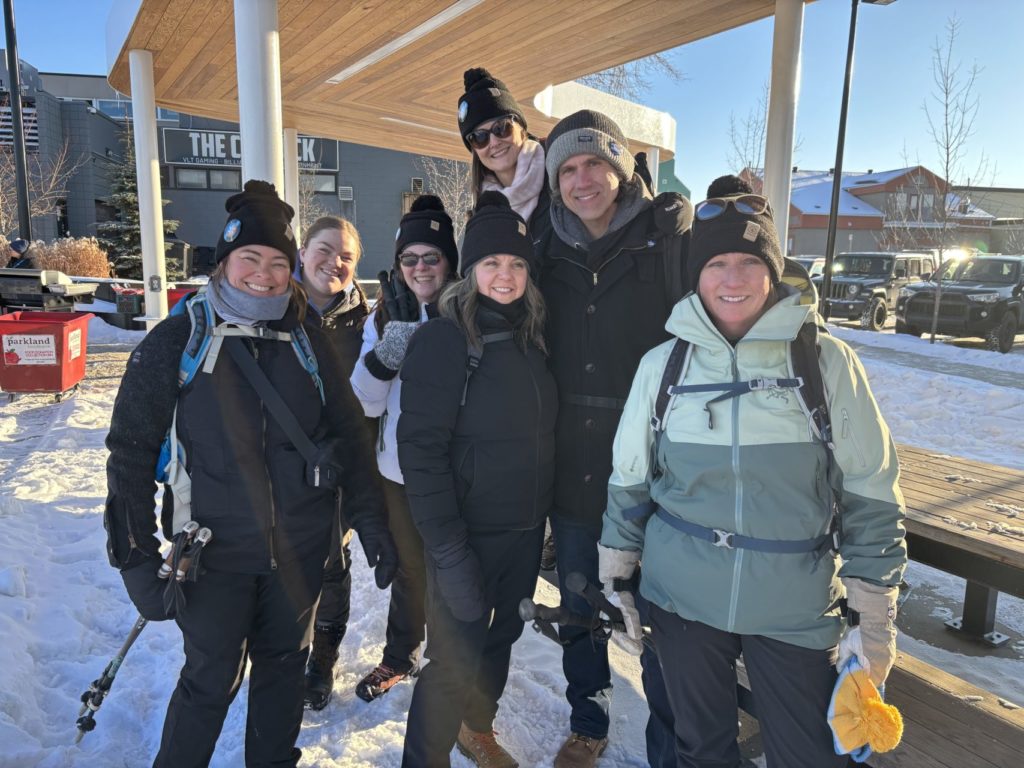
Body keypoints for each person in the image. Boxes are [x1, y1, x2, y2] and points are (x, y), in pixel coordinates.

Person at [600, 175, 908, 768]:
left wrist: (872, 611)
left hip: (794, 608)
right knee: (700, 751)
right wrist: (617, 580)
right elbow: (629, 481)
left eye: (749, 262)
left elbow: (871, 491)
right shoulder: (663, 366)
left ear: (773, 270)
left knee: (811, 756)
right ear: (696, 276)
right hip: (681, 602)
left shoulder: (824, 361)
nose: (733, 279)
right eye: (716, 263)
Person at [103, 180, 397, 768]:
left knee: (284, 671)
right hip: (211, 552)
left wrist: (372, 524)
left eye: (278, 263)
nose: (264, 275)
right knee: (210, 678)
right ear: (224, 260)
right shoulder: (179, 337)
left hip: (300, 551)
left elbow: (347, 436)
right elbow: (130, 452)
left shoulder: (308, 338)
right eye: (250, 258)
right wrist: (134, 555)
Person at [538, 109, 692, 768]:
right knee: (581, 607)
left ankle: (673, 743)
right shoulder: (544, 249)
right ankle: (588, 720)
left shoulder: (667, 243)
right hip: (573, 467)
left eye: (595, 162)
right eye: (568, 169)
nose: (583, 180)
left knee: (660, 619)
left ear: (622, 169)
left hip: (654, 474)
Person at [399, 191, 557, 768]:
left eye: (516, 263)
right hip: (465, 537)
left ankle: (477, 728)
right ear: (470, 271)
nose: (505, 275)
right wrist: (446, 547)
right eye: (491, 262)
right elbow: (420, 451)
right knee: (452, 659)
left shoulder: (533, 336)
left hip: (523, 531)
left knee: (500, 642)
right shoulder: (444, 340)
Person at [348, 194, 459, 702]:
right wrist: (393, 344)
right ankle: (399, 655)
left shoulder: (468, 311)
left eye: (431, 256)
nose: (420, 267)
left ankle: (451, 665)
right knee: (410, 569)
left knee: (452, 572)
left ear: (449, 261)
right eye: (408, 258)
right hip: (397, 471)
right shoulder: (380, 318)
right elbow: (366, 402)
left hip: (453, 470)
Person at [458, 66, 556, 570]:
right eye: (478, 136)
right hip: (515, 345)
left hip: (561, 338)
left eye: (500, 127)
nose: (492, 142)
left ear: (520, 125)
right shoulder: (483, 207)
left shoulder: (560, 182)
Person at [295, 215, 375, 710]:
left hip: (337, 467)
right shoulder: (273, 305)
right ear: (303, 252)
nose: (334, 262)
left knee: (330, 563)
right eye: (324, 249)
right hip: (276, 463)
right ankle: (283, 649)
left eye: (346, 256)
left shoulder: (366, 323)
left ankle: (321, 659)